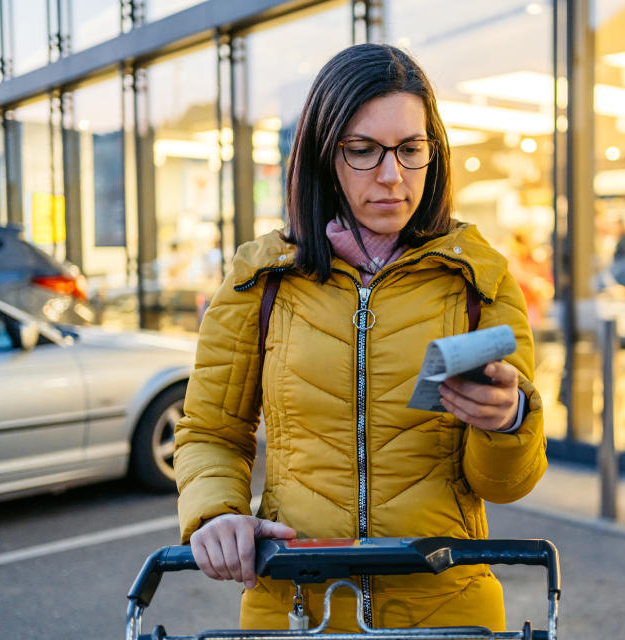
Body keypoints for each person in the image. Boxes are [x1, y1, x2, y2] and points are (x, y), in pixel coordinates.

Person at [173, 43, 547, 633]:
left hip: (447, 610)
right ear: (325, 156)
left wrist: (509, 419)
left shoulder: (481, 280)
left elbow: (504, 485)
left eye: (409, 149)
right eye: (363, 150)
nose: (392, 175)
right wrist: (215, 514)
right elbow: (209, 432)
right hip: (296, 609)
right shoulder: (260, 280)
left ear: (434, 151)